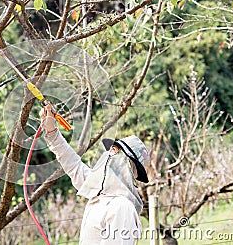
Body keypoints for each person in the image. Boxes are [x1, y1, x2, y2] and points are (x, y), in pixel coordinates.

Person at [40, 105, 150, 245]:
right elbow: (73, 165)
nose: (109, 154)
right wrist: (51, 130)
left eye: (115, 151)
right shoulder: (99, 194)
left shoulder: (122, 207)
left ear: (126, 165)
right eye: (111, 150)